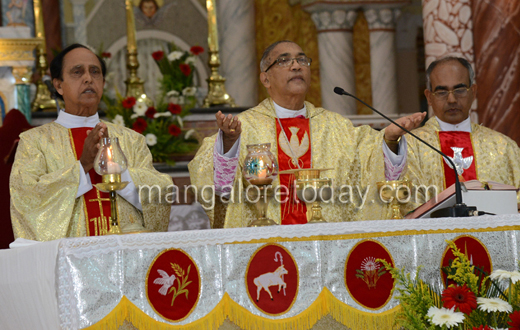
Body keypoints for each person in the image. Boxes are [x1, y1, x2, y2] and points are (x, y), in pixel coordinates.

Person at [189, 40, 425, 228]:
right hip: (266, 246)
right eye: (284, 61)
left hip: (327, 245)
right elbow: (216, 188)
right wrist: (229, 144)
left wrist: (389, 140)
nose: (296, 66)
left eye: (302, 60)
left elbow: (370, 160)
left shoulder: (335, 127)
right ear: (265, 78)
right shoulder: (243, 126)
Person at [10, 44, 172, 241]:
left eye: (95, 72)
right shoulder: (34, 142)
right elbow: (26, 200)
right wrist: (83, 166)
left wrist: (117, 170)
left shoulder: (131, 139)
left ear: (103, 82)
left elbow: (159, 196)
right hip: (70, 260)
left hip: (126, 252)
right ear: (58, 85)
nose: (88, 78)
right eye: (77, 72)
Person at [405, 56, 520, 205]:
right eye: (442, 92)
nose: (452, 99)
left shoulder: (503, 147)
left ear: (473, 91)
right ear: (429, 97)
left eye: (459, 90)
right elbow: (407, 205)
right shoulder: (412, 146)